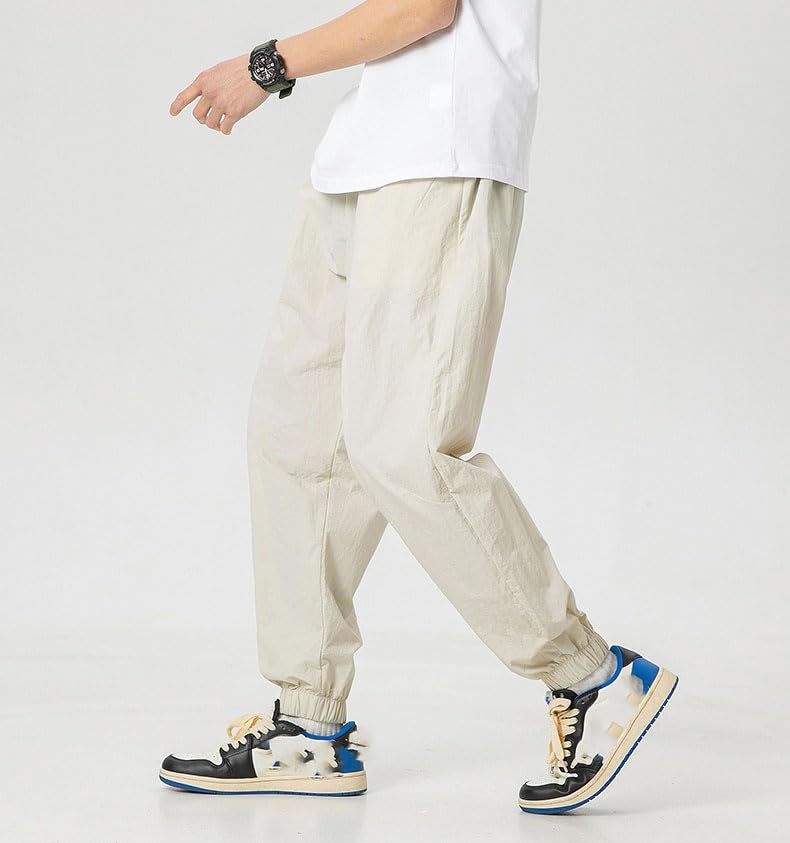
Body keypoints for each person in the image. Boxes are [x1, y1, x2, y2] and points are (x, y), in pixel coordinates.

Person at [159, 0, 677, 814]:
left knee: (403, 447)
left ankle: (591, 673)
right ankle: (308, 725)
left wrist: (267, 66)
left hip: (443, 152)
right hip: (360, 157)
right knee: (296, 439)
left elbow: (424, 7)